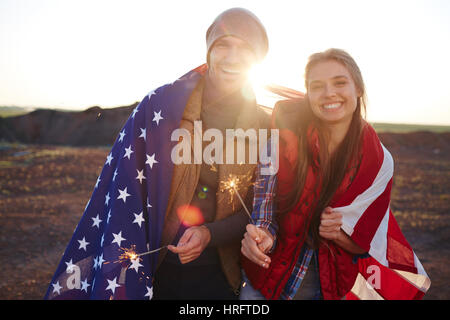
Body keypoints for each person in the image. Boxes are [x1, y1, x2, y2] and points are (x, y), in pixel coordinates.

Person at [44, 7, 271, 300]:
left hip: (219, 276)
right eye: (223, 45)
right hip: (151, 269)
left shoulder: (263, 126)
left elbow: (259, 207)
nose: (232, 57)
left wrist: (209, 234)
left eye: (246, 49)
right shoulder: (163, 106)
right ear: (208, 51)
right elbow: (124, 183)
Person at [240, 48, 430, 300]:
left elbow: (366, 242)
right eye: (317, 86)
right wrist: (263, 234)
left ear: (358, 89)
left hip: (332, 285)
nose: (329, 93)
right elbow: (264, 205)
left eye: (339, 83)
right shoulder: (279, 137)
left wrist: (338, 234)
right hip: (267, 280)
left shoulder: (379, 162)